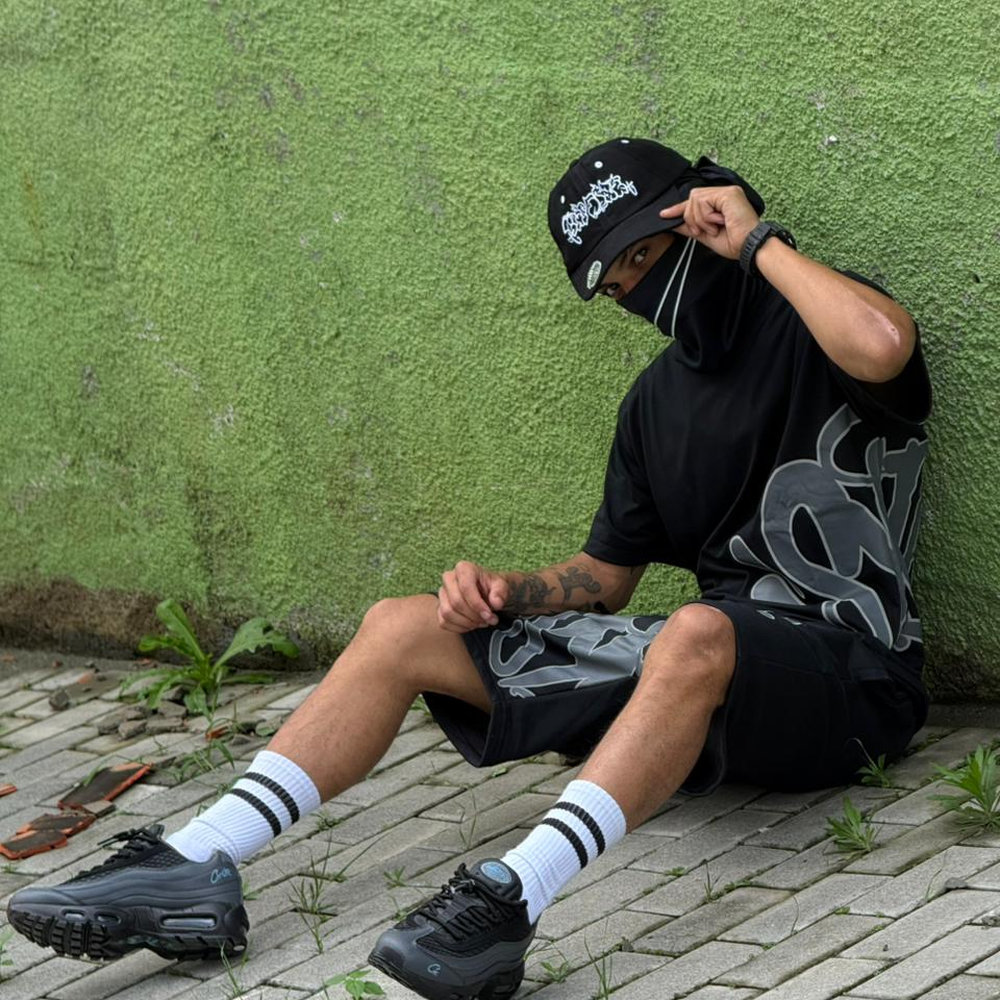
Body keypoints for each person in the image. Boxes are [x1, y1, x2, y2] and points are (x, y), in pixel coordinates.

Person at [7, 138, 931, 1000]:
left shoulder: (819, 319)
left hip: (854, 679)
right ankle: (196, 862)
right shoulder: (654, 407)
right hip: (716, 679)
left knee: (695, 632)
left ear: (701, 215)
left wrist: (759, 243)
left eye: (644, 259)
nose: (637, 291)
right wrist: (506, 593)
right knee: (402, 624)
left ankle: (510, 899)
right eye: (617, 285)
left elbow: (885, 347)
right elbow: (606, 579)